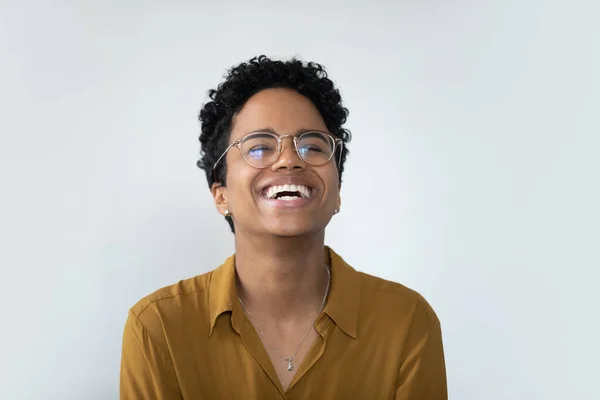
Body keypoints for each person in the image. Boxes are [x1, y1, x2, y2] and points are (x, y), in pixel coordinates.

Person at [120, 55, 447, 399]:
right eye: (259, 147)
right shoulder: (159, 329)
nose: (290, 159)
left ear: (336, 192)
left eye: (312, 146)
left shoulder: (406, 322)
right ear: (221, 195)